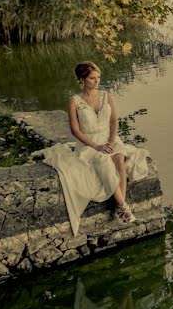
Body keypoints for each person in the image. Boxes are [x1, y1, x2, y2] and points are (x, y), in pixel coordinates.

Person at [43, 61, 149, 235]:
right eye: (92, 78)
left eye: (98, 77)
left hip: (109, 138)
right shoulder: (75, 101)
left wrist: (110, 142)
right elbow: (75, 130)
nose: (97, 81)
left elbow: (114, 121)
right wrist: (96, 146)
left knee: (119, 160)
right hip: (89, 143)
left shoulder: (107, 96)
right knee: (102, 161)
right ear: (82, 80)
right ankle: (124, 207)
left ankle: (120, 207)